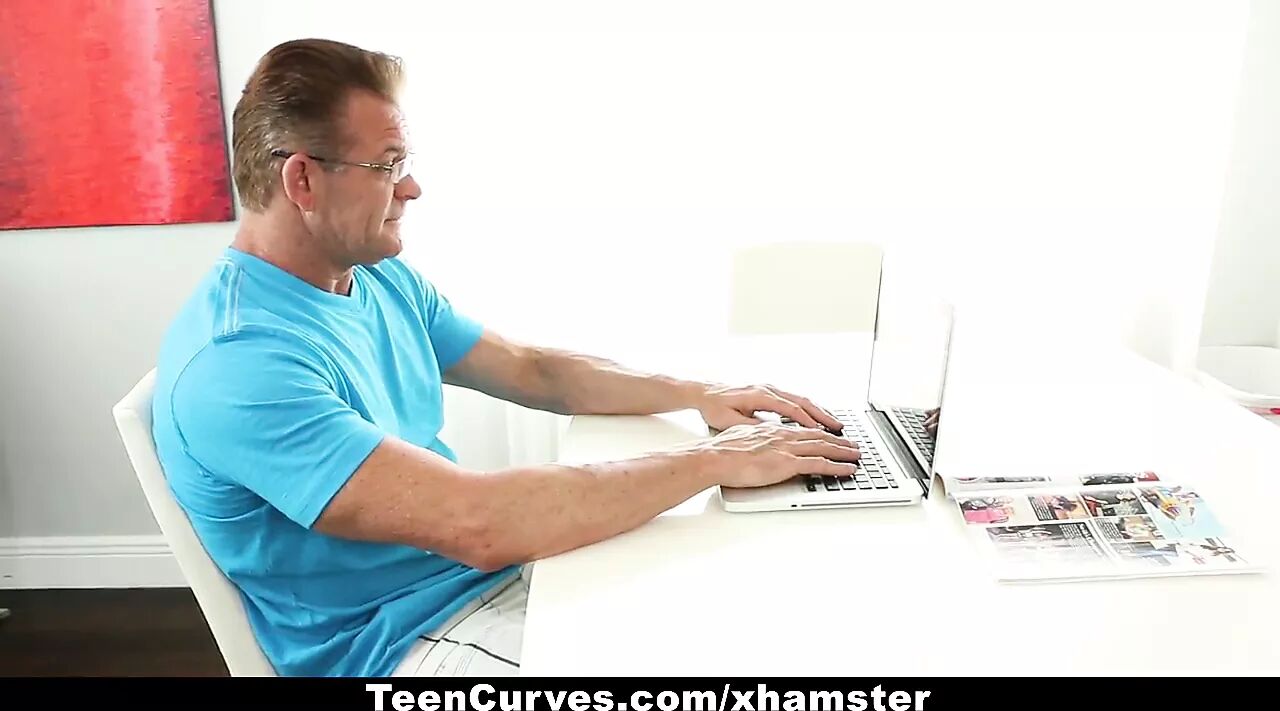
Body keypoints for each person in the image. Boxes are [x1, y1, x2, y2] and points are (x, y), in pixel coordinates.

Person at [150, 38, 862, 678]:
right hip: (403, 639)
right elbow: (478, 523)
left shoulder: (371, 277)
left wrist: (700, 394)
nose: (411, 188)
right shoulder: (239, 363)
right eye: (388, 165)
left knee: (758, 612)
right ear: (303, 181)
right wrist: (713, 461)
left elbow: (529, 368)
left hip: (491, 577)